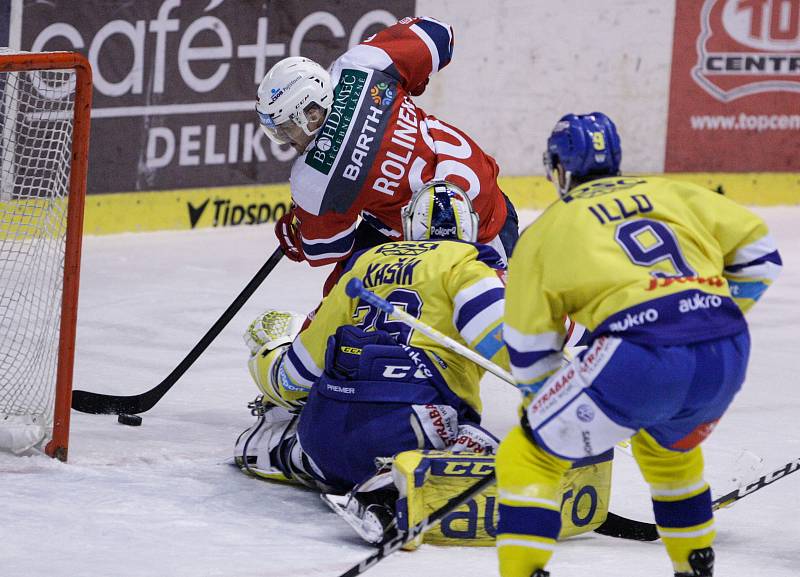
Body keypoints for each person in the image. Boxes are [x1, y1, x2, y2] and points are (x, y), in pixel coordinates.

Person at [495, 112, 781, 577]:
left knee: (527, 452)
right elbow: (762, 256)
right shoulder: (674, 192)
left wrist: (545, 406)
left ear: (560, 166)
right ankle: (694, 566)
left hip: (640, 355)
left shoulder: (546, 230)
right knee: (670, 453)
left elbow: (529, 348)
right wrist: (704, 317)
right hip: (726, 350)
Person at [234, 180, 508, 542]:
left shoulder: (364, 263)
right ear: (471, 227)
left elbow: (294, 378)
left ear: (409, 226)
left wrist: (265, 356)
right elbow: (509, 344)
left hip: (322, 434)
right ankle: (387, 491)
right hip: (409, 427)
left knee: (323, 422)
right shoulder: (466, 266)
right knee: (480, 441)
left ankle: (280, 447)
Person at [255, 16, 519, 294]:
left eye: (286, 129)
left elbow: (326, 249)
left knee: (345, 297)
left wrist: (298, 235)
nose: (286, 141)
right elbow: (439, 35)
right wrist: (412, 78)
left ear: (311, 114)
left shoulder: (313, 178)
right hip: (487, 204)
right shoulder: (360, 66)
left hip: (477, 239)